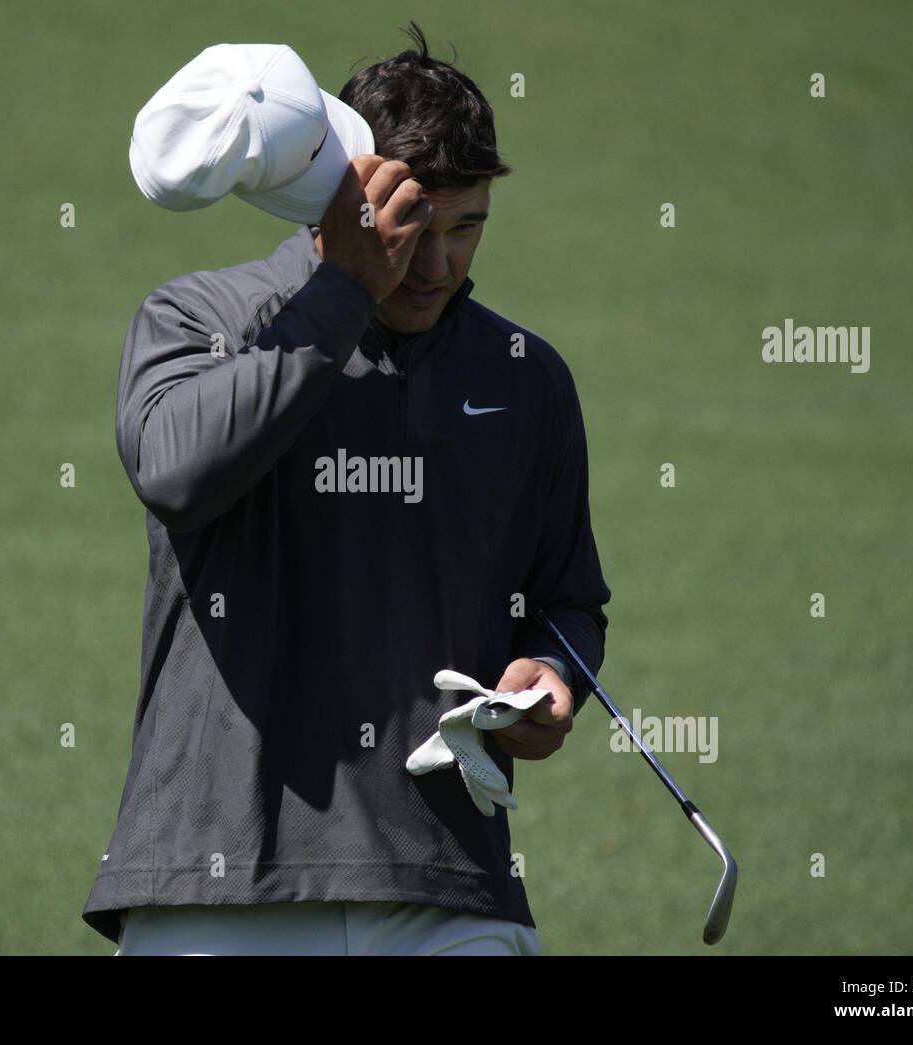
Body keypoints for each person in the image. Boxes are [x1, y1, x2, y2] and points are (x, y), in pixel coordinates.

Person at [84, 24, 610, 956]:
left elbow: (564, 597)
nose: (440, 265)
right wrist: (344, 292)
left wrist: (552, 675)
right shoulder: (198, 319)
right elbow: (174, 472)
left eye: (468, 224)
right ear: (345, 200)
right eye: (415, 227)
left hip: (446, 885)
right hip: (219, 883)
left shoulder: (527, 375)